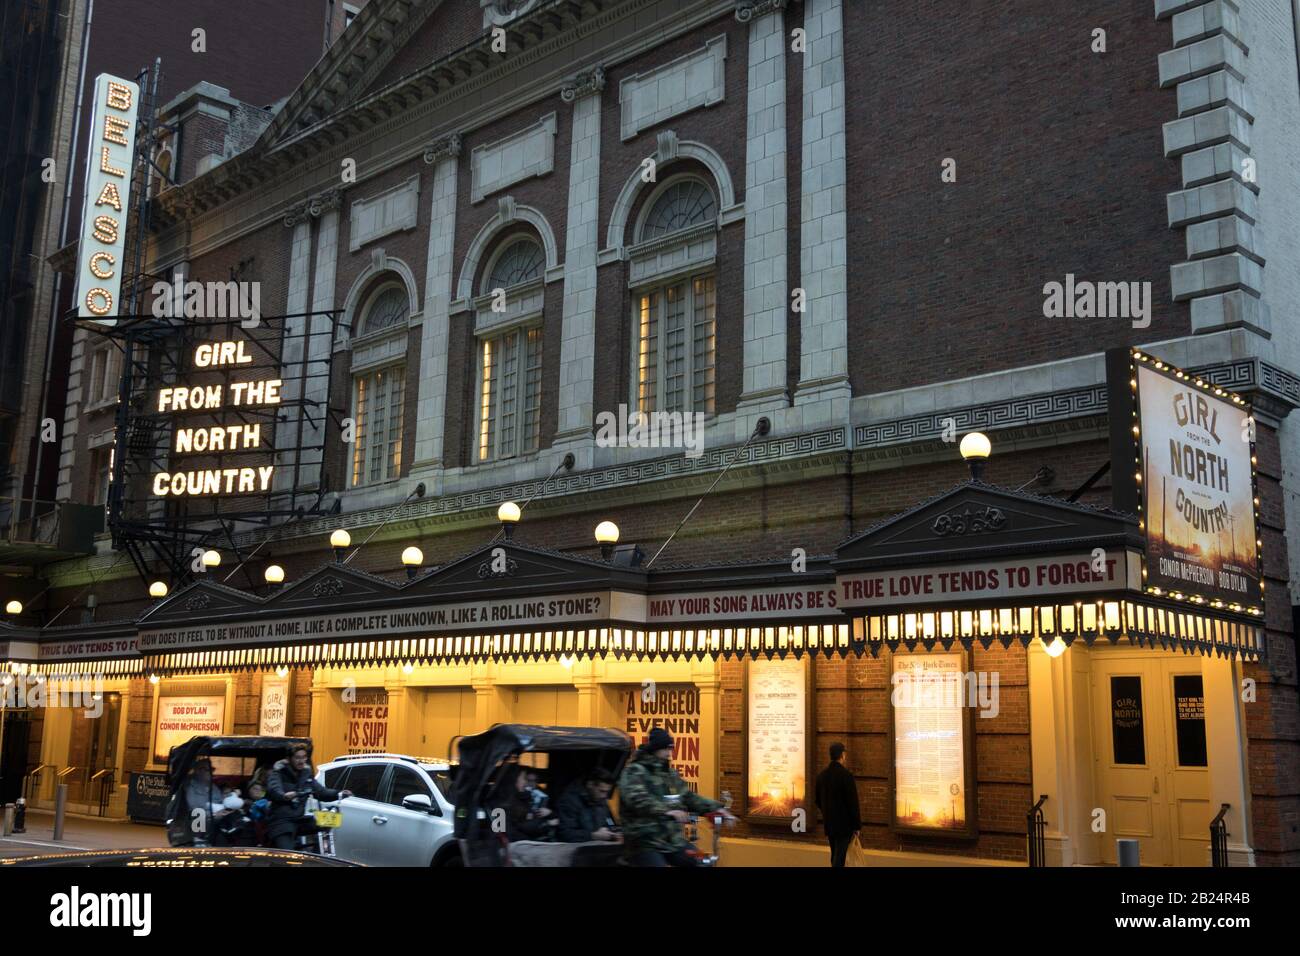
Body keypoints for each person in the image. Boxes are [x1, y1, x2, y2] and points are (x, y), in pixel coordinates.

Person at [618, 727, 734, 866]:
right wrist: (667, 811)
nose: (669, 753)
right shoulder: (634, 771)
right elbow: (638, 800)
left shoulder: (671, 775)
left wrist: (717, 808)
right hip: (644, 843)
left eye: (671, 749)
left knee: (703, 861)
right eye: (665, 749)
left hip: (673, 842)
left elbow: (689, 797)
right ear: (655, 749)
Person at [264, 744, 352, 851]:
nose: (301, 761)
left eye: (304, 757)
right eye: (297, 757)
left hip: (299, 820)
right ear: (289, 759)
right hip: (281, 822)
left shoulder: (306, 774)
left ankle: (321, 854)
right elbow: (274, 789)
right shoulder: (278, 772)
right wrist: (283, 795)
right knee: (288, 854)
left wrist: (339, 793)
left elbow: (321, 792)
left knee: (329, 819)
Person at [814, 742, 862, 867]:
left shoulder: (822, 776)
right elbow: (853, 803)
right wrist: (856, 826)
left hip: (829, 823)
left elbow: (817, 799)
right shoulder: (846, 776)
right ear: (842, 755)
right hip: (844, 825)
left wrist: (826, 811)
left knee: (835, 853)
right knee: (839, 857)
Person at [495, 763, 558, 841]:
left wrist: (550, 815)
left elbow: (531, 821)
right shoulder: (501, 806)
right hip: (520, 847)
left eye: (534, 781)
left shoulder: (528, 797)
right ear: (514, 780)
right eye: (524, 779)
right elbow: (508, 834)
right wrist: (546, 824)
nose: (526, 783)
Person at [556, 768, 621, 843]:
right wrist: (593, 836)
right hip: (575, 851)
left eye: (607, 792)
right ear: (590, 784)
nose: (604, 796)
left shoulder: (601, 800)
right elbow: (565, 834)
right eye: (602, 791)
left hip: (596, 848)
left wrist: (613, 831)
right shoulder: (569, 801)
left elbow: (609, 821)